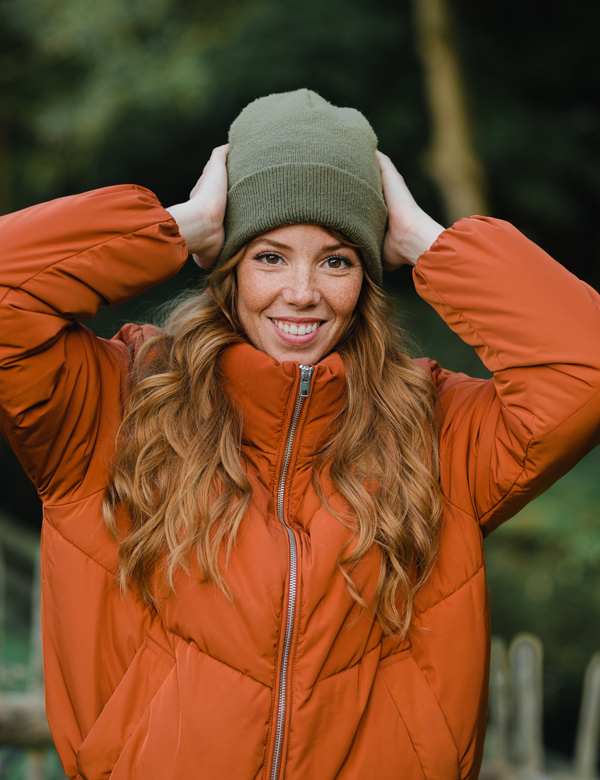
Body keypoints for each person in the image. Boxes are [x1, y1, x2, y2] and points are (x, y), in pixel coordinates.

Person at [1, 88, 599, 780]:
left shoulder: (439, 429)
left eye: (338, 259)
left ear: (368, 277)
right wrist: (177, 226)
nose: (303, 292)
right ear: (226, 267)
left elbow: (584, 367)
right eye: (269, 256)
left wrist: (426, 240)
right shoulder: (112, 404)